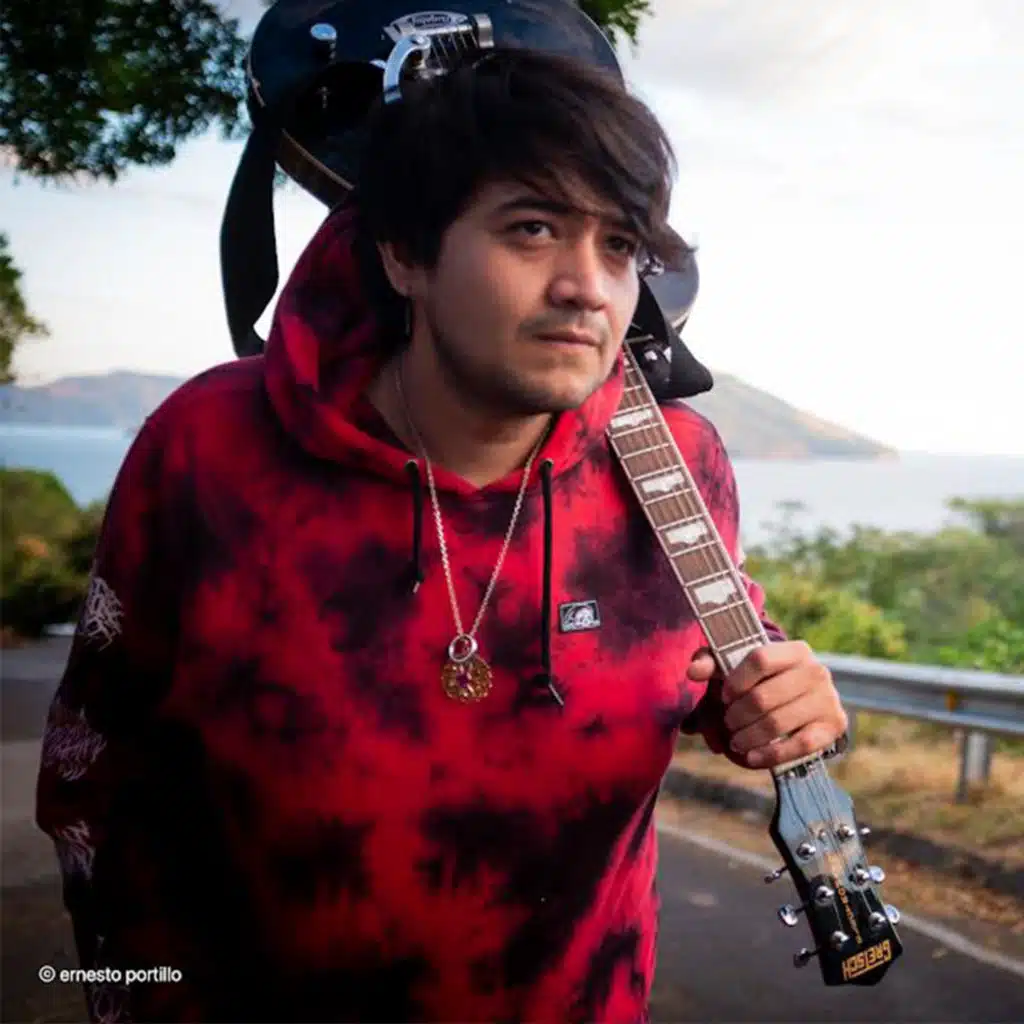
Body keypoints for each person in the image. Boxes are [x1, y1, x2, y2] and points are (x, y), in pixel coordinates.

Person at [35, 46, 847, 1024]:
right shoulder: (212, 446)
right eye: (533, 228)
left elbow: (717, 659)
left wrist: (774, 703)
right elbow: (93, 768)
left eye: (620, 245)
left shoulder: (675, 463)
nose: (587, 287)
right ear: (404, 255)